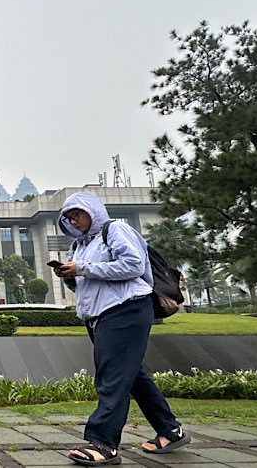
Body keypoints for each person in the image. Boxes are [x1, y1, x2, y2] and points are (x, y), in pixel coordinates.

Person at [53, 192, 189, 466]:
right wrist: (71, 275)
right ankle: (170, 430)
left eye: (78, 214)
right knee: (133, 375)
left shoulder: (114, 230)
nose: (74, 221)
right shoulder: (79, 246)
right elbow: (88, 281)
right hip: (100, 316)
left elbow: (134, 265)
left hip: (127, 309)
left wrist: (83, 269)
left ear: (92, 211)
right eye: (69, 218)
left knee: (112, 377)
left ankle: (103, 442)